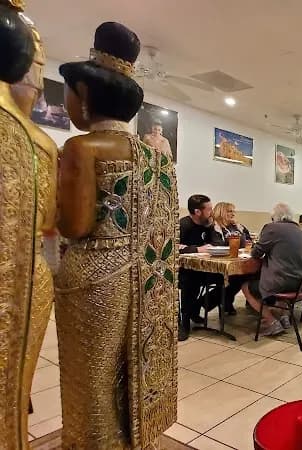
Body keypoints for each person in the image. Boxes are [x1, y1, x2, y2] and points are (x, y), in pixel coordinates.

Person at [54, 22, 179, 447]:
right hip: (144, 281)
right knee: (128, 375)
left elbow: (74, 225)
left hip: (93, 278)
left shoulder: (80, 149)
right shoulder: (156, 159)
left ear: (85, 96)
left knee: (90, 384)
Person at [1, 4, 59, 446]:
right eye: (37, 66)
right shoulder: (30, 140)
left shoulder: (35, 140)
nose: (38, 82)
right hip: (24, 277)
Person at [241, 203, 302, 336]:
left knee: (246, 286)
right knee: (281, 276)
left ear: (274, 217)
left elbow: (256, 253)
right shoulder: (299, 230)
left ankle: (271, 321)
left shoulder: (272, 228)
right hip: (300, 280)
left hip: (281, 281)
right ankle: (284, 316)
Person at [179, 194, 215, 340]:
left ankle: (195, 308)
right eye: (209, 209)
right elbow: (174, 247)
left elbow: (213, 244)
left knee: (229, 279)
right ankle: (184, 322)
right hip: (184, 269)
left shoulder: (208, 225)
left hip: (204, 267)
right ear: (197, 212)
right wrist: (196, 250)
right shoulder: (183, 225)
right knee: (190, 280)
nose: (211, 212)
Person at [209, 201, 252, 315]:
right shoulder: (214, 227)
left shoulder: (238, 226)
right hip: (219, 263)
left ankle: (226, 301)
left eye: (234, 211)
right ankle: (205, 304)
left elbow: (248, 241)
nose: (233, 213)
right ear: (221, 212)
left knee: (247, 275)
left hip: (237, 260)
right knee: (237, 278)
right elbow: (217, 244)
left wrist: (241, 236)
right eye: (229, 211)